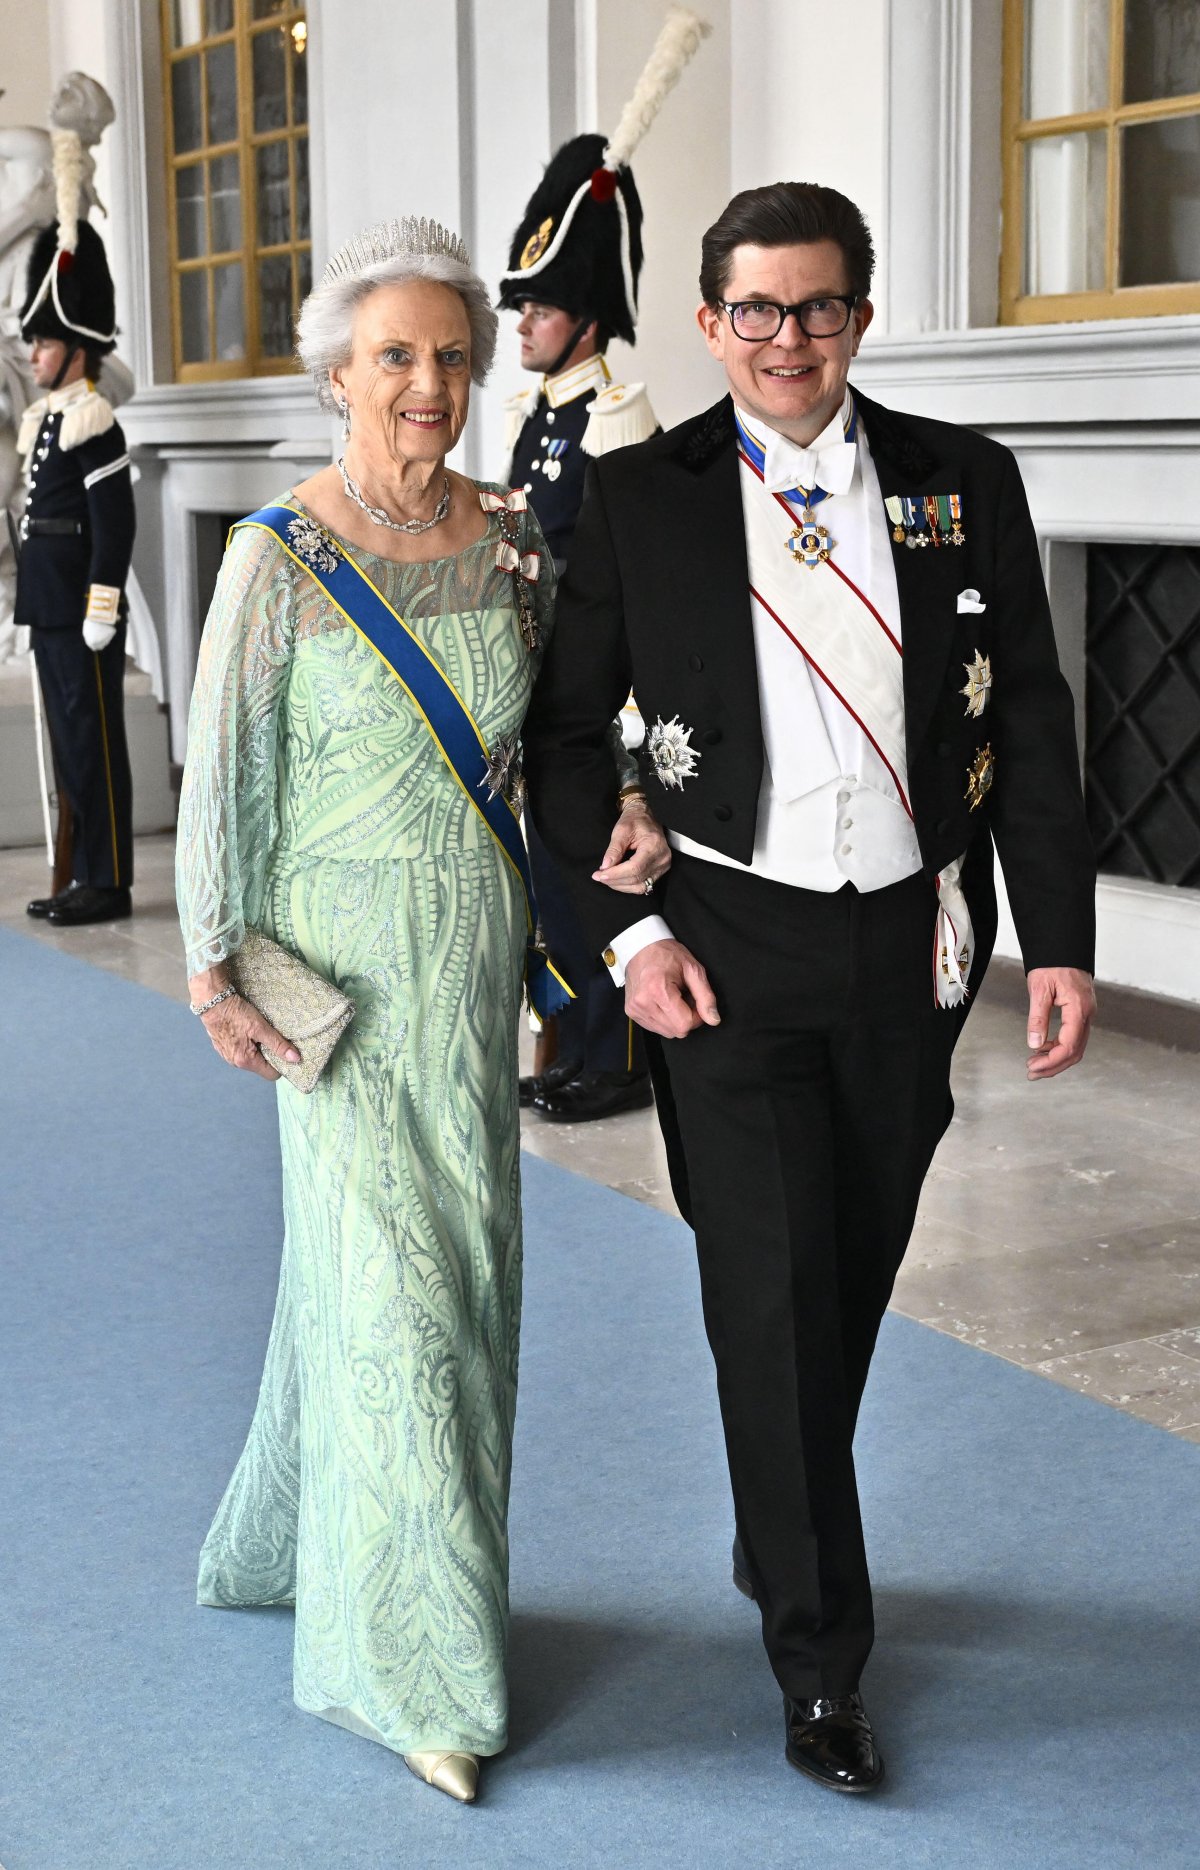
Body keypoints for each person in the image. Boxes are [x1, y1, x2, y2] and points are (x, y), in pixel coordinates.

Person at [523, 181, 1097, 1794]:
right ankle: (822, 1666)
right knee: (769, 1305)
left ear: (861, 313)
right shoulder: (643, 500)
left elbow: (1034, 722)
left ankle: (778, 1520)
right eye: (756, 311)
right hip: (727, 951)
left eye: (819, 306)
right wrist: (629, 945)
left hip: (909, 951)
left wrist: (1054, 937)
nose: (788, 338)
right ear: (710, 324)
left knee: (833, 1285)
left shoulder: (960, 484)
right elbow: (567, 743)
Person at [177, 216, 614, 1805]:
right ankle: (409, 1665)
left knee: (461, 1280)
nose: (427, 383)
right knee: (398, 1304)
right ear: (339, 375)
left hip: (472, 962)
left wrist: (611, 837)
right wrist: (218, 964)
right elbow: (221, 778)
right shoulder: (275, 557)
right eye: (394, 357)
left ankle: (290, 1534)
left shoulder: (512, 540)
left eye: (450, 355)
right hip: (339, 978)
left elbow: (552, 743)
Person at [498, 4, 710, 1124]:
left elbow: (636, 577)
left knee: (603, 867)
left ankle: (618, 1054)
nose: (521, 321)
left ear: (587, 316)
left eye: (538, 304)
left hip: (603, 690)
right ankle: (577, 1038)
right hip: (546, 678)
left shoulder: (619, 417)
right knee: (555, 871)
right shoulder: (540, 415)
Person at [16, 197, 135, 926]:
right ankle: (81, 873)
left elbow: (112, 522)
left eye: (43, 342)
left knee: (93, 742)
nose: (32, 355)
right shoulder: (50, 418)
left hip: (79, 612)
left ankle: (110, 879)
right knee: (70, 746)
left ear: (77, 349)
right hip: (50, 606)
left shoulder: (92, 418)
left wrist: (102, 603)